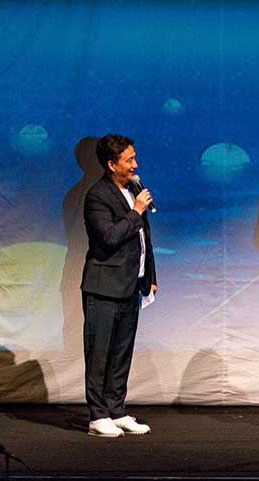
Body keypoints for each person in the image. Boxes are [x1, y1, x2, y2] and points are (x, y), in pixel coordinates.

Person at [81, 134, 157, 438]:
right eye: (129, 160)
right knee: (99, 353)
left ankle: (117, 410)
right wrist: (136, 211)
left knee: (121, 353)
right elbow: (110, 237)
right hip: (103, 287)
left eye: (134, 158)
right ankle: (98, 415)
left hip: (130, 285)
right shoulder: (97, 196)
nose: (135, 165)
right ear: (112, 165)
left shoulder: (132, 190)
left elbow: (143, 239)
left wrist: (150, 276)